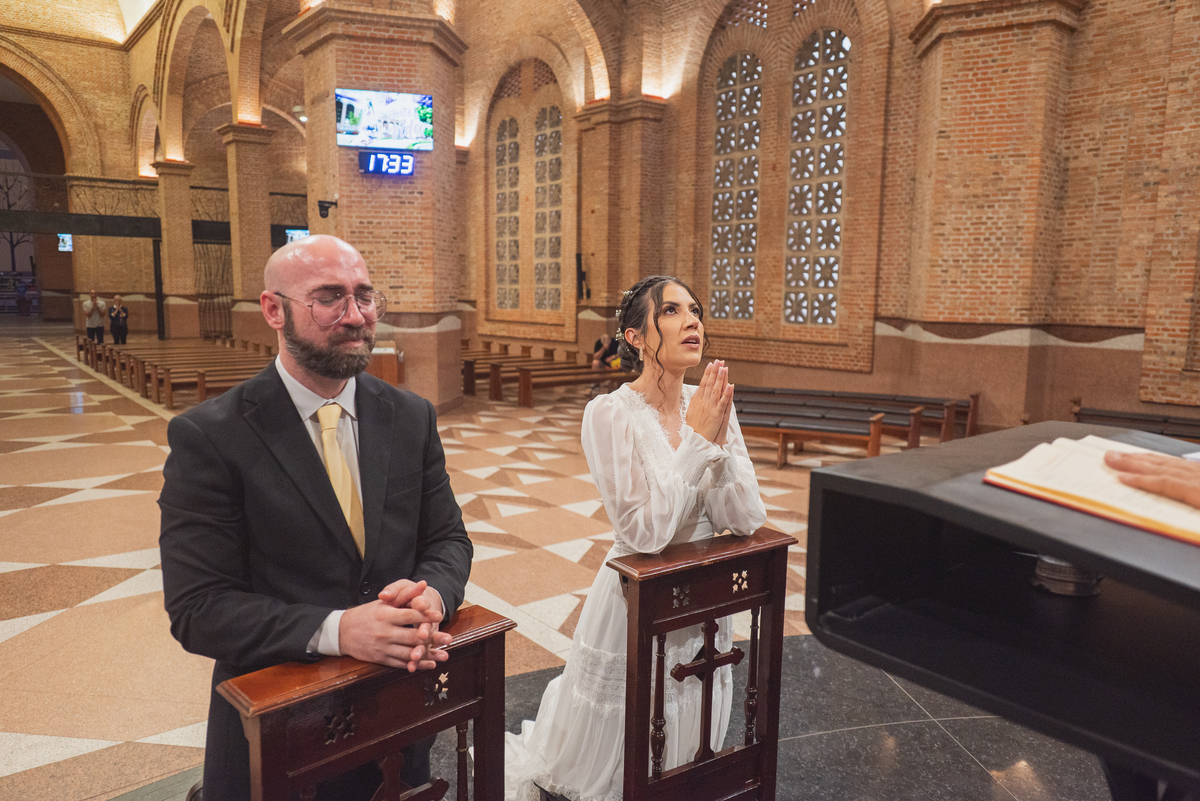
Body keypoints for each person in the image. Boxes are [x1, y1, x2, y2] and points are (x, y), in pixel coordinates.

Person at [159, 234, 473, 801]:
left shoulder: (409, 415)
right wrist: (338, 629)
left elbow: (447, 539)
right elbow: (199, 609)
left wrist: (436, 598)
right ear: (274, 310)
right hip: (280, 723)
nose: (355, 317)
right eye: (329, 298)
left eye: (364, 297)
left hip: (395, 715)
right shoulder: (212, 435)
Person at [506, 275, 767, 801]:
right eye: (671, 312)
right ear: (636, 336)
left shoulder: (710, 401)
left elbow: (744, 517)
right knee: (633, 731)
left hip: (704, 596)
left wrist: (719, 439)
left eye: (694, 310)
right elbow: (644, 532)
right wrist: (697, 441)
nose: (692, 320)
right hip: (635, 593)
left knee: (693, 716)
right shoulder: (610, 413)